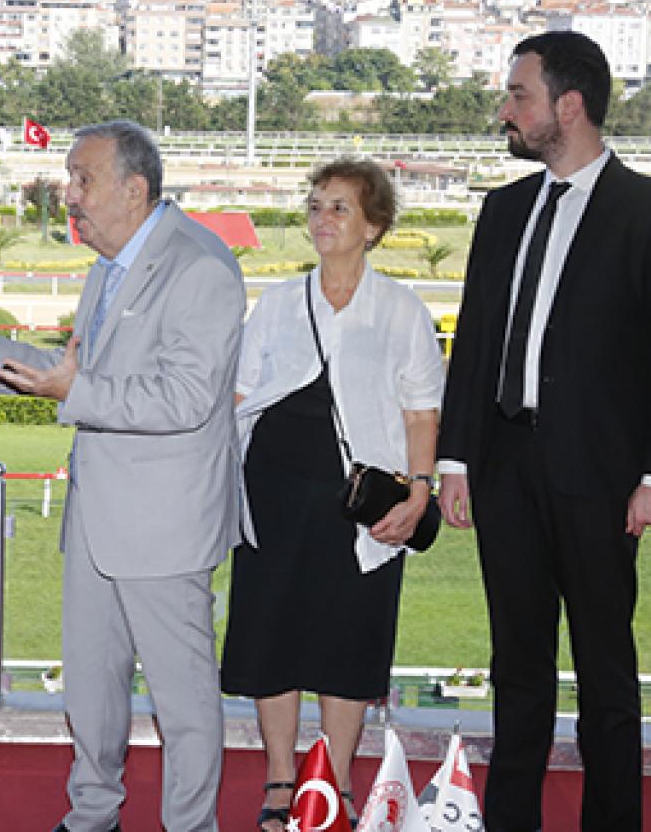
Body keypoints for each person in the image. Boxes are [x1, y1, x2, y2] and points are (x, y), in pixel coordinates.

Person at [0, 120, 245, 832]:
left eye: (82, 179)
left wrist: (76, 390)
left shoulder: (199, 266)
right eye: (70, 178)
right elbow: (79, 375)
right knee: (92, 690)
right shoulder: (110, 265)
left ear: (135, 189)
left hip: (165, 527)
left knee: (183, 702)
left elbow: (186, 398)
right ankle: (92, 815)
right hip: (98, 518)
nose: (69, 194)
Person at [437, 31, 651, 832]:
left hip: (602, 481)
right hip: (505, 471)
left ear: (570, 105)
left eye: (519, 95)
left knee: (606, 677)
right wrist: (455, 458)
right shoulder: (502, 209)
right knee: (516, 672)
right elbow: (476, 343)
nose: (505, 111)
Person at [220, 159, 443, 830]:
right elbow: (240, 395)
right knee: (272, 637)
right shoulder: (279, 303)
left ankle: (335, 781)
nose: (323, 218)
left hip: (361, 508)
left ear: (374, 226)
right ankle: (282, 779)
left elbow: (422, 413)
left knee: (349, 642)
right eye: (316, 206)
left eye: (340, 207)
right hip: (273, 496)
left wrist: (419, 492)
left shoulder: (402, 310)